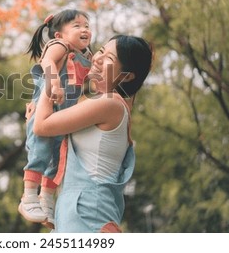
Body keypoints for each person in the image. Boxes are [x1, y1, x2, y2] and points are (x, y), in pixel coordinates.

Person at [33, 34, 153, 232]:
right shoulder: (101, 105)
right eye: (101, 51)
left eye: (109, 59)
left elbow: (42, 125)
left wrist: (51, 65)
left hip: (88, 215)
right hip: (79, 213)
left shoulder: (110, 103)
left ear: (126, 75)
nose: (97, 58)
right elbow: (45, 123)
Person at [18, 9, 92, 229]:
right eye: (77, 26)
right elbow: (47, 63)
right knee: (40, 151)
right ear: (59, 35)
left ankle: (46, 200)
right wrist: (54, 83)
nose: (84, 29)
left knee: (58, 159)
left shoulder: (86, 55)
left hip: (63, 116)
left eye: (87, 25)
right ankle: (29, 196)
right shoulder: (59, 46)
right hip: (46, 110)